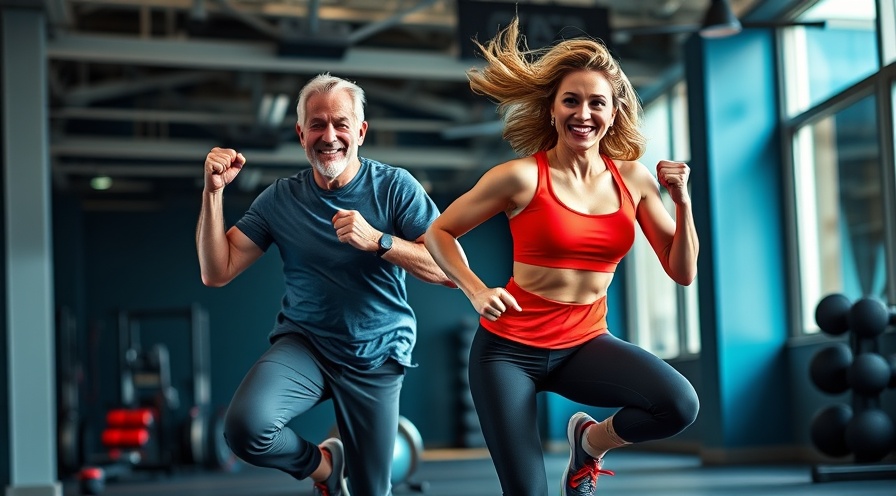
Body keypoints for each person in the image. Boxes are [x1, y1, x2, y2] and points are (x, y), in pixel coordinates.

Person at [424, 17, 700, 496]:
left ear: (614, 112)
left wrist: (682, 201)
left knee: (678, 404)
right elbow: (439, 232)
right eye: (571, 101)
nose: (584, 113)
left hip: (584, 345)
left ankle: (590, 443)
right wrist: (475, 288)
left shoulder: (633, 180)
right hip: (507, 353)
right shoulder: (520, 177)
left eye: (597, 102)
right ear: (552, 109)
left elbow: (682, 271)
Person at [196, 73, 454, 496]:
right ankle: (326, 469)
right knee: (246, 428)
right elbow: (216, 270)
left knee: (373, 490)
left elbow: (448, 271)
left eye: (340, 123)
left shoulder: (394, 187)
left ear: (361, 131)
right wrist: (212, 194)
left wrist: (379, 241)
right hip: (307, 346)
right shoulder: (280, 199)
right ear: (301, 134)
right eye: (317, 124)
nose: (328, 135)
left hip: (376, 353)